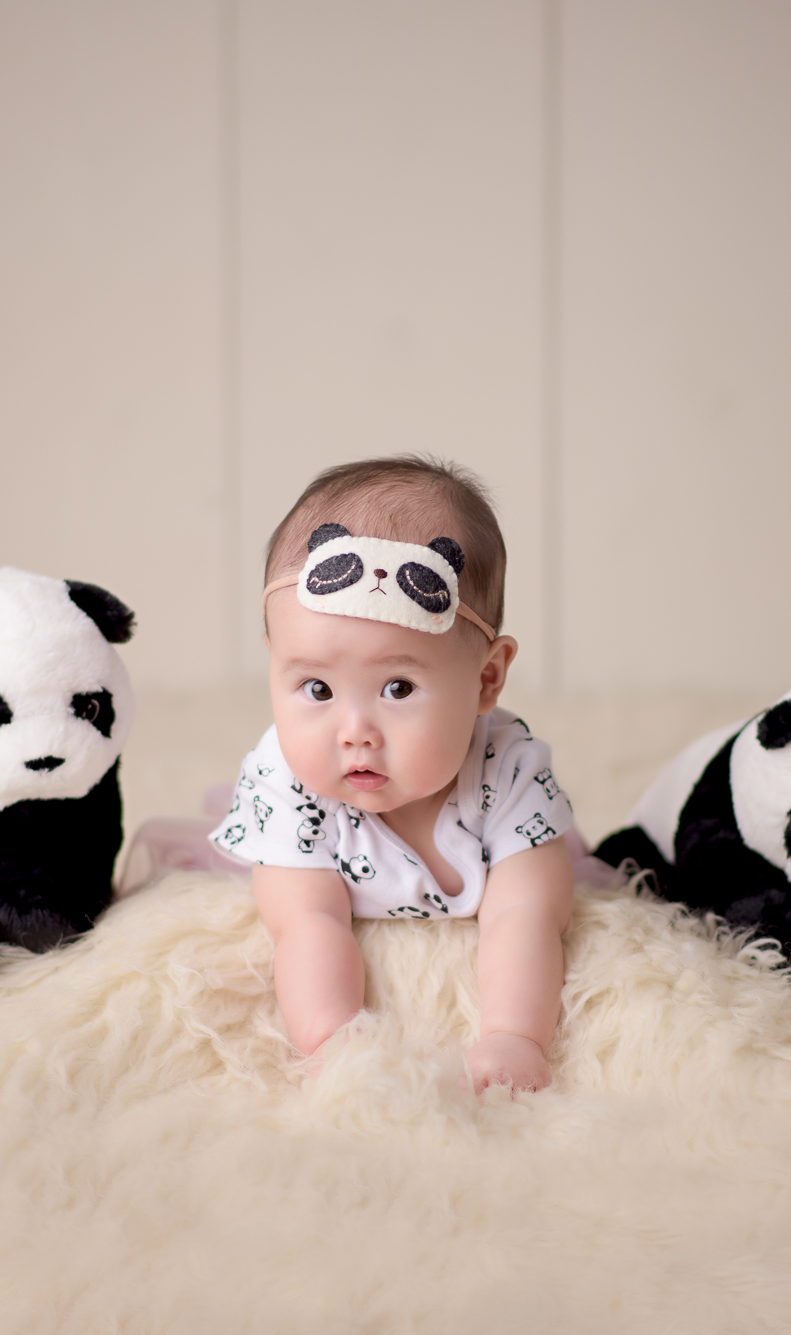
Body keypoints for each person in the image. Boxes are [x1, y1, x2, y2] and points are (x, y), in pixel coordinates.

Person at [210, 456, 575, 1092]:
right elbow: (307, 925)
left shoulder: (505, 770)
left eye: (398, 687)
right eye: (316, 687)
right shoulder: (287, 785)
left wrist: (515, 1037)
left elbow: (528, 913)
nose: (355, 730)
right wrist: (335, 1038)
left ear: (486, 678)